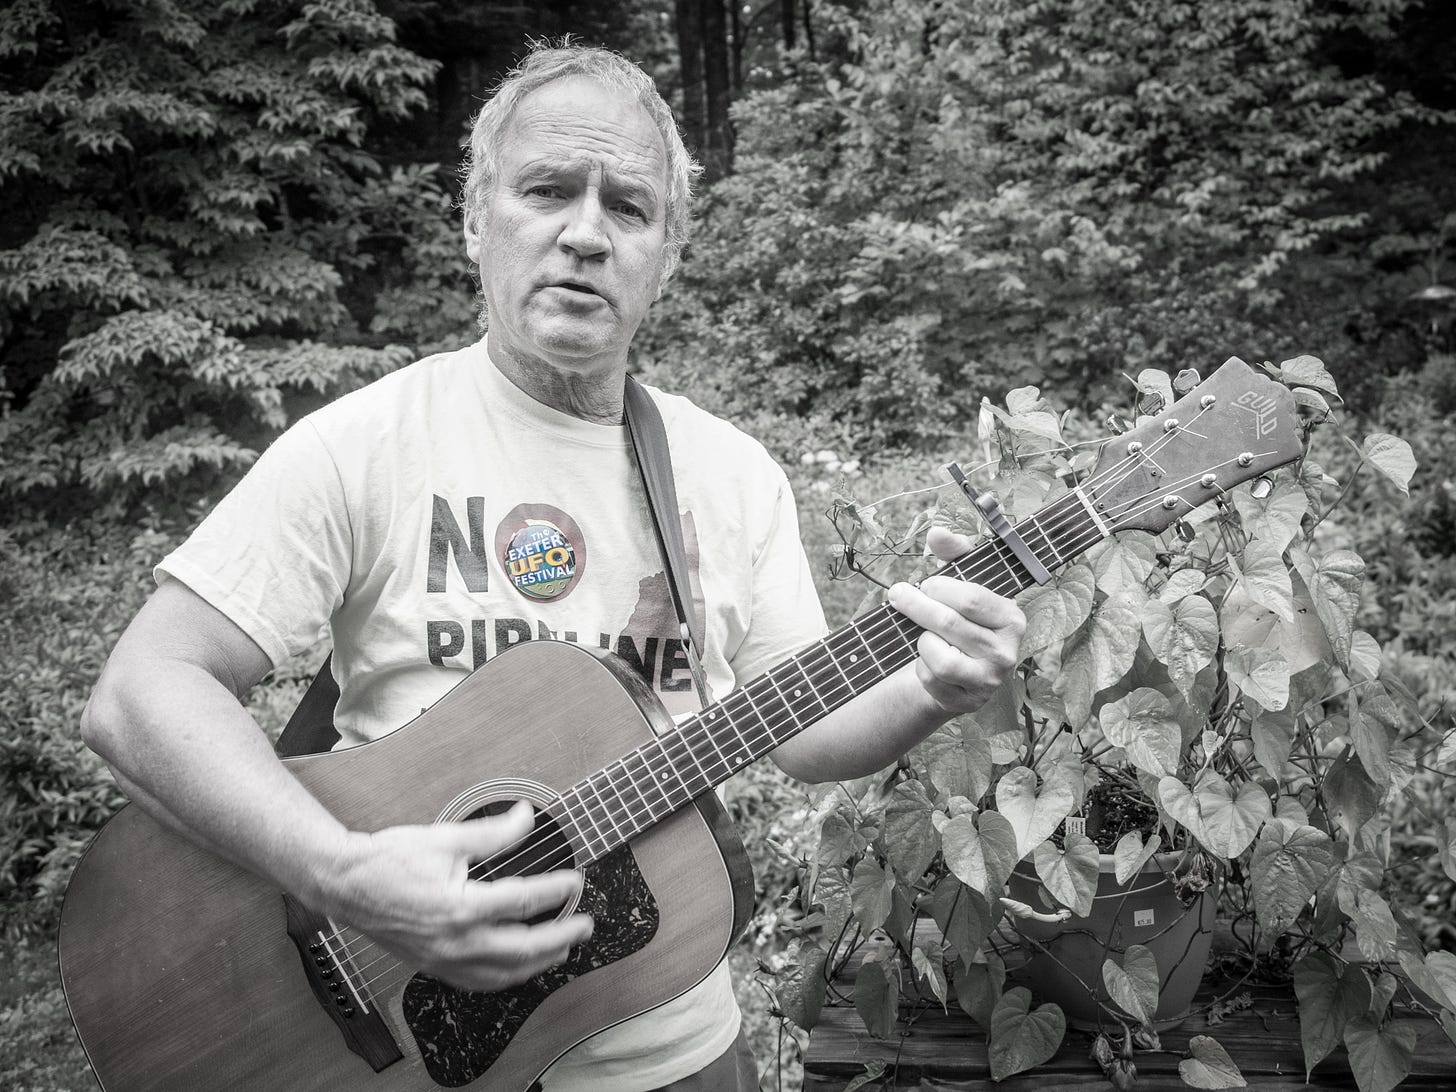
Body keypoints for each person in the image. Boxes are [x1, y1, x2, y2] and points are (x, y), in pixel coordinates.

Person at [80, 42, 1025, 1091]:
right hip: (395, 1033)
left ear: (666, 256)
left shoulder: (730, 474)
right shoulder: (365, 444)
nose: (584, 232)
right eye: (545, 190)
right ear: (476, 220)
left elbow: (800, 733)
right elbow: (140, 692)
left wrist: (932, 686)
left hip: (667, 1040)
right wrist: (340, 874)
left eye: (628, 207)